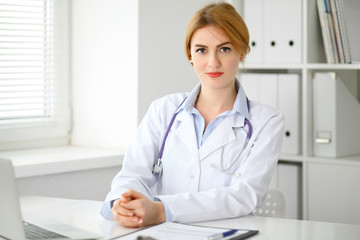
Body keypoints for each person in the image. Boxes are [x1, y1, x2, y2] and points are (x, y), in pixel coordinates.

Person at [100, 2, 284, 228]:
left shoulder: (267, 121)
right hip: (167, 232)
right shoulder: (163, 110)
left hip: (226, 232)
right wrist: (123, 203)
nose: (212, 62)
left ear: (242, 51)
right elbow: (133, 174)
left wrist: (161, 210)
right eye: (201, 50)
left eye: (225, 49)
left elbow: (245, 195)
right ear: (190, 54)